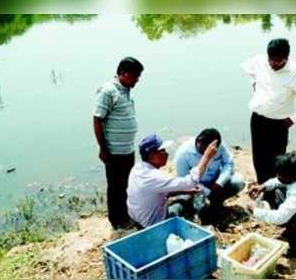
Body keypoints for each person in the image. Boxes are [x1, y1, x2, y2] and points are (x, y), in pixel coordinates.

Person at [241, 38, 296, 184]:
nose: (273, 64)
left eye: (278, 61)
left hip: (280, 123)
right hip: (258, 119)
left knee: (277, 160)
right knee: (259, 157)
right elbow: (247, 69)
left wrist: (293, 119)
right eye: (271, 60)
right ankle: (262, 186)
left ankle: (276, 189)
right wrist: (255, 85)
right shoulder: (260, 61)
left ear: (286, 58)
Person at [93, 56, 144, 230]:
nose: (137, 80)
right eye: (134, 76)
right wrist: (103, 149)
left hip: (127, 149)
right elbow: (97, 119)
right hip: (114, 151)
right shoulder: (108, 91)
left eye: (138, 76)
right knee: (116, 187)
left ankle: (126, 215)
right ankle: (117, 221)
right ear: (122, 73)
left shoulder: (124, 90)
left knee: (127, 184)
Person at [127, 134, 218, 228]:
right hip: (153, 226)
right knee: (181, 203)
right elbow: (191, 181)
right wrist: (207, 156)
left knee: (185, 194)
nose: (166, 154)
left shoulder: (137, 168)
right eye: (162, 151)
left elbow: (156, 190)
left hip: (137, 220)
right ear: (152, 155)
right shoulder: (154, 177)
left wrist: (185, 191)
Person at [174, 128, 245, 211]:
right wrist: (208, 192)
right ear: (199, 142)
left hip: (215, 183)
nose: (210, 154)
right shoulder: (183, 153)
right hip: (196, 187)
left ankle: (217, 202)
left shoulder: (218, 146)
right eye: (205, 151)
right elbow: (185, 181)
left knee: (238, 181)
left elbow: (228, 163)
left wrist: (219, 183)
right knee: (194, 206)